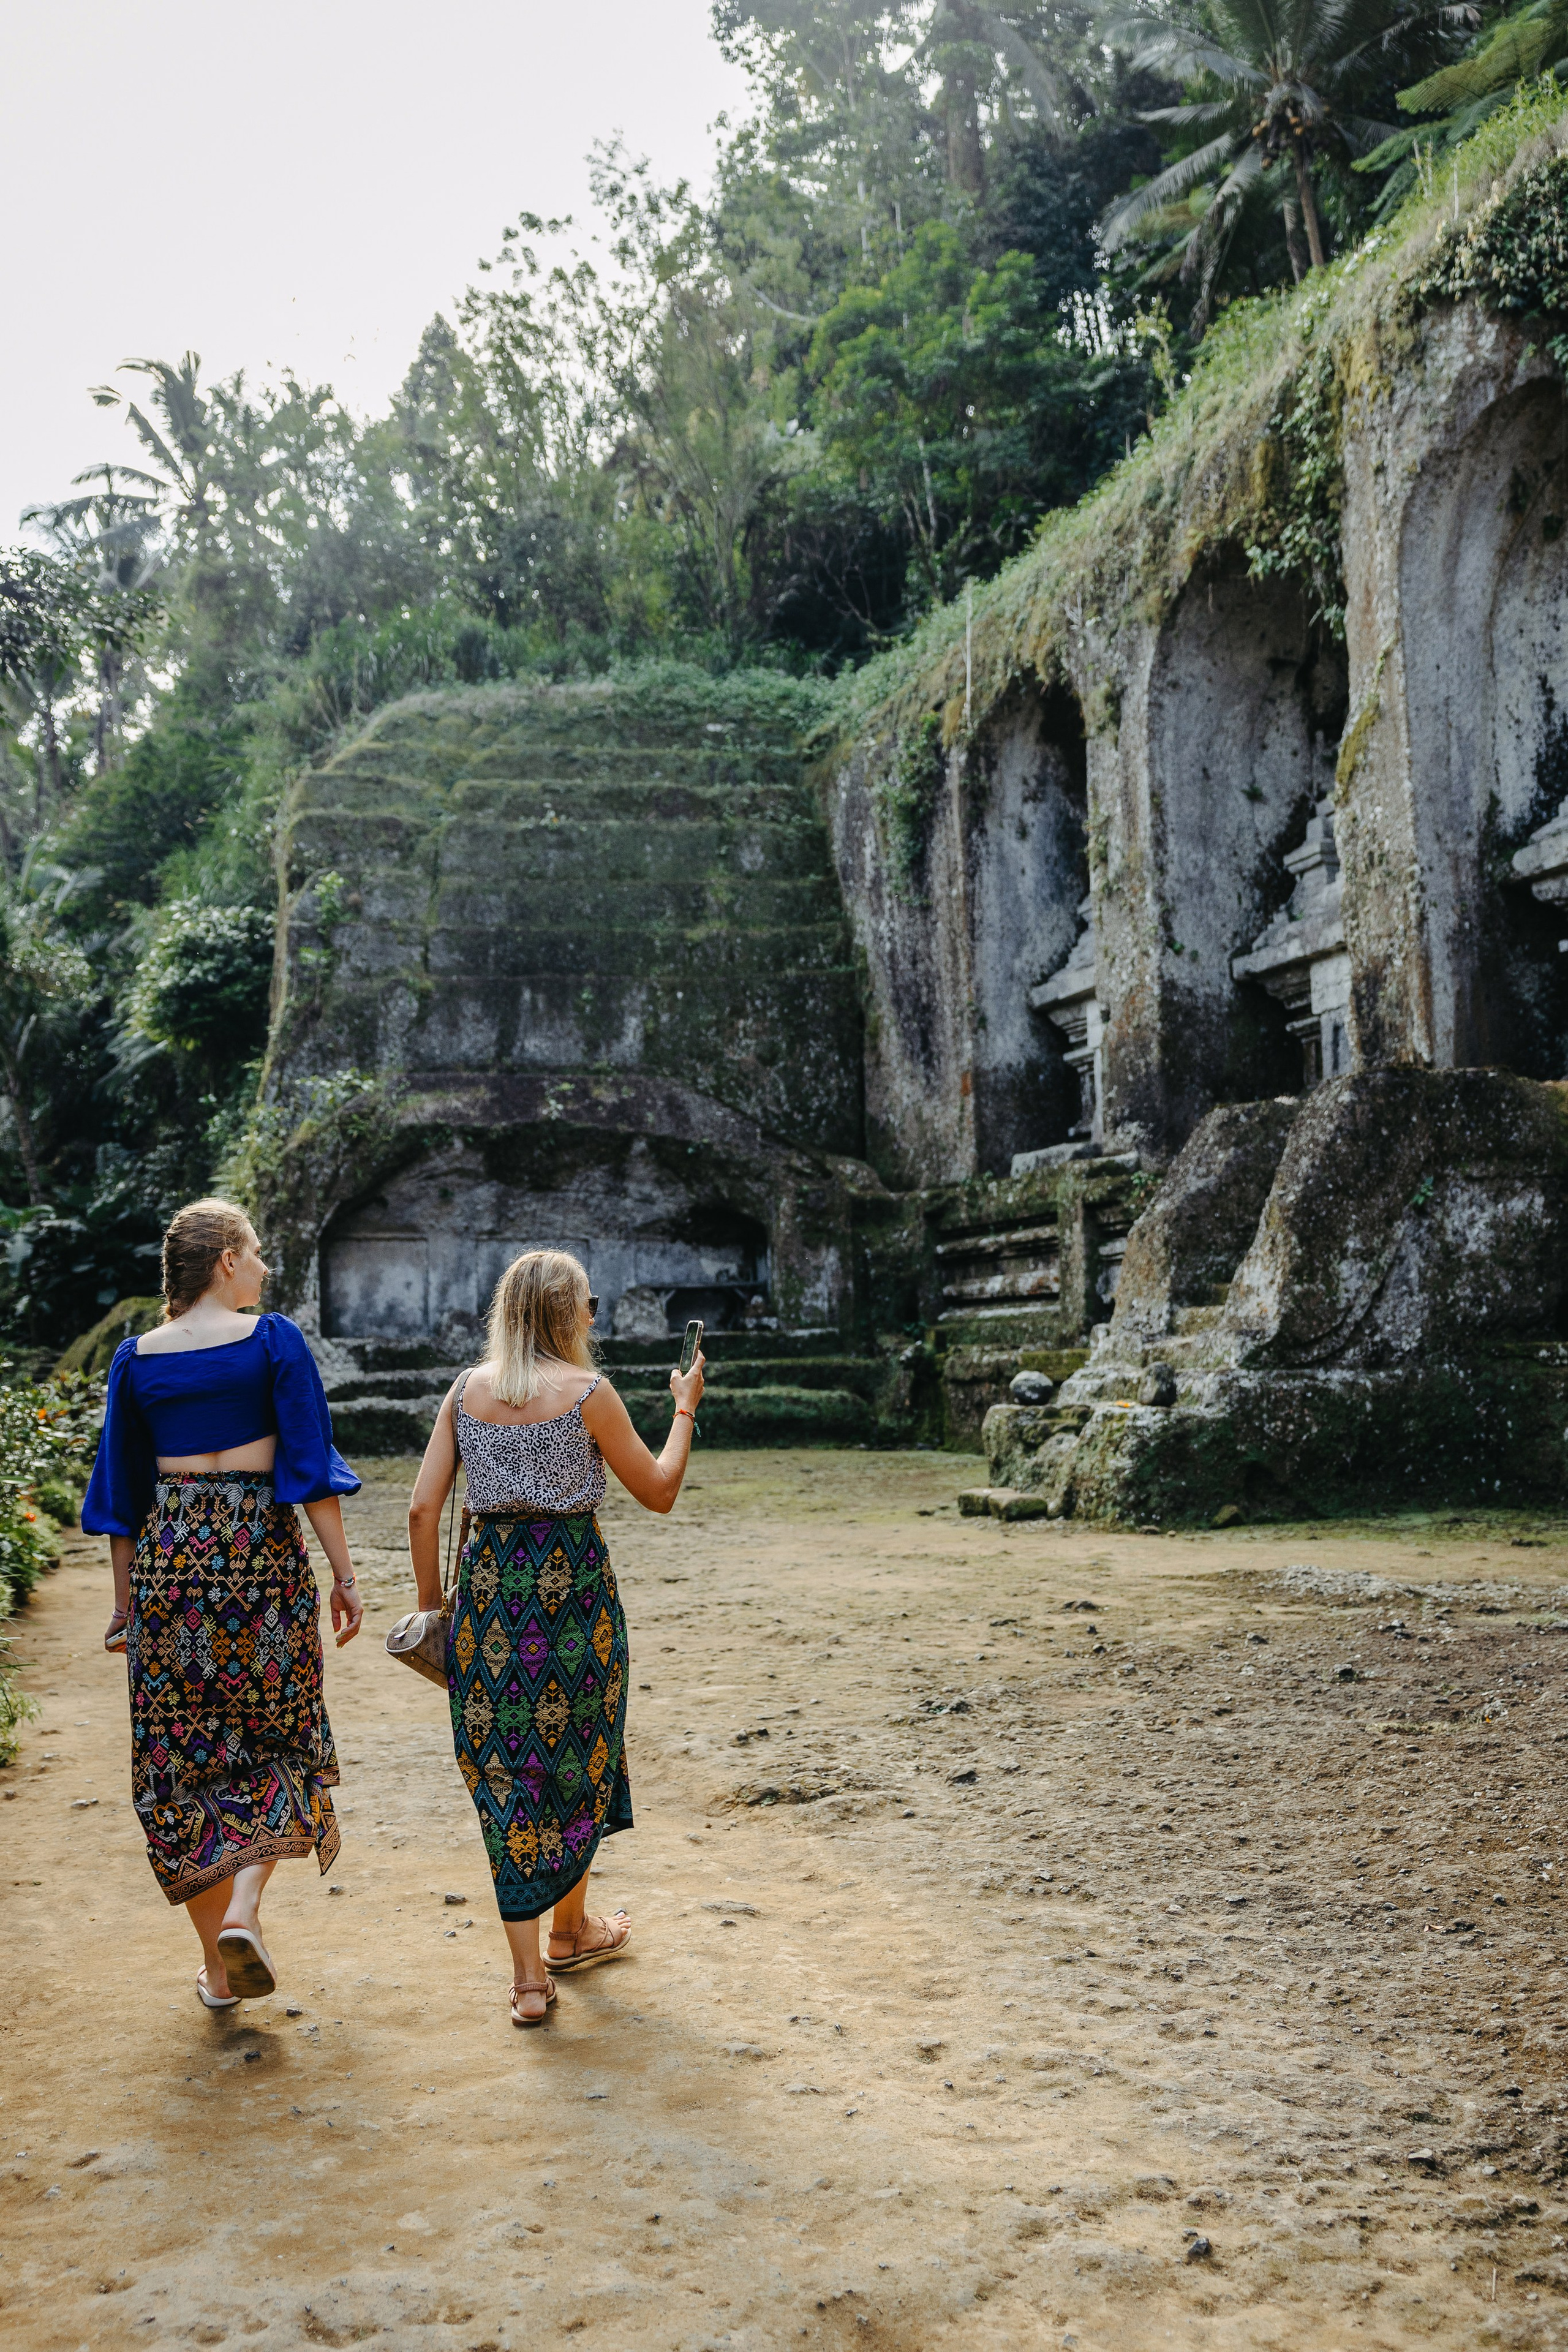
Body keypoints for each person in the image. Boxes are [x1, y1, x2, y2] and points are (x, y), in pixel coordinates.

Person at [407, 1248, 704, 2026]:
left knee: (507, 1772)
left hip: (489, 1598)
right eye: (590, 1305)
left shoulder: (465, 1392)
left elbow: (420, 1510)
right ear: (569, 1314)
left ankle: (539, 1970)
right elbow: (661, 1491)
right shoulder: (589, 1395)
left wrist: (436, 1606)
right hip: (572, 1594)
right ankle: (569, 1931)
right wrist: (684, 1407)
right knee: (577, 1755)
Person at [82, 1198, 363, 2008]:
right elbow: (308, 1468)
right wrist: (344, 1578)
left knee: (180, 1764)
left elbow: (121, 1494)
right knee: (285, 1738)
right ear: (227, 1262)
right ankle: (245, 1910)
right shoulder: (273, 1341)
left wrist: (124, 1606)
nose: (267, 1266)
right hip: (258, 1559)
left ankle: (216, 1969)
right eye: (258, 1252)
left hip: (170, 1564)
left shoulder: (135, 1360)